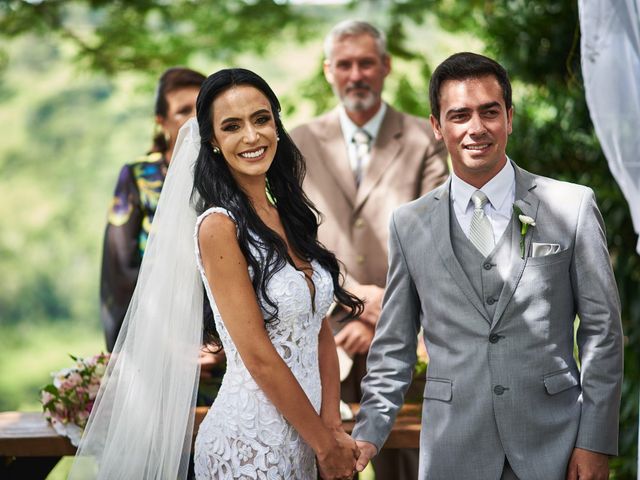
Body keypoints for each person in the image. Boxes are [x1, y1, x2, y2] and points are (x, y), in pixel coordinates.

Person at [70, 68, 363, 480]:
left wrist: (331, 428)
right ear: (212, 142)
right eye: (232, 126)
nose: (251, 136)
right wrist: (323, 443)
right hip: (248, 447)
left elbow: (319, 328)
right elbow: (258, 356)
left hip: (309, 436)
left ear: (277, 125)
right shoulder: (219, 227)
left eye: (261, 119)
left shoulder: (292, 216)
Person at [352, 51, 624, 480]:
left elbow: (602, 333)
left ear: (509, 118)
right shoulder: (410, 223)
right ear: (437, 127)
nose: (476, 128)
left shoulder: (571, 206)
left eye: (489, 112)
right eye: (459, 115)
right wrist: (367, 434)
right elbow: (394, 348)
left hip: (553, 444)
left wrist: (594, 441)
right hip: (452, 448)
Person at [290, 21, 448, 478]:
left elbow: (435, 237)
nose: (355, 74)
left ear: (385, 66)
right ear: (328, 71)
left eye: (365, 63)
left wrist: (379, 310)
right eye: (344, 64)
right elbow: (294, 240)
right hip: (322, 341)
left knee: (410, 464)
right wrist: (349, 302)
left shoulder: (425, 139)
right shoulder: (298, 142)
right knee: (326, 464)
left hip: (408, 337)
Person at [99, 67, 224, 406]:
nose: (193, 120)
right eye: (182, 111)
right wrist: (162, 347)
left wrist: (219, 346)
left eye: (200, 108)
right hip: (154, 345)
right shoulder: (139, 177)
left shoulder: (229, 176)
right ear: (161, 121)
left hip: (224, 346)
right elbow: (119, 268)